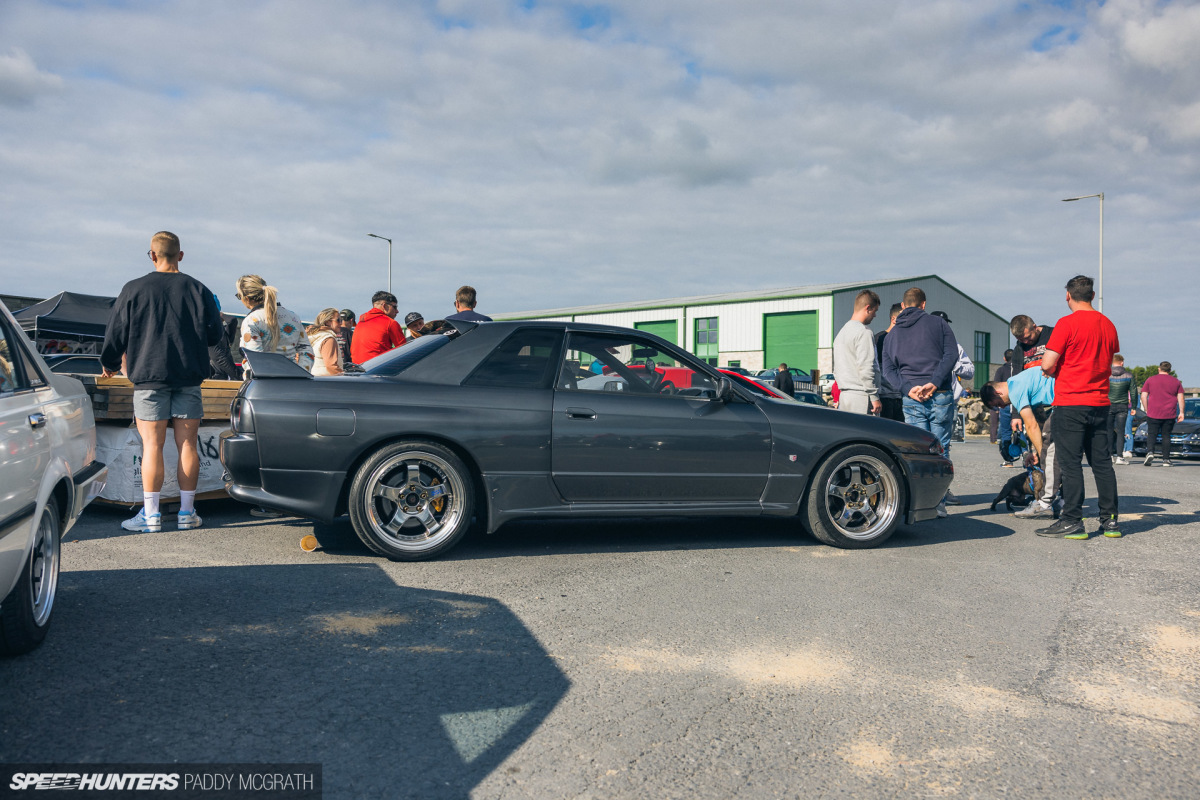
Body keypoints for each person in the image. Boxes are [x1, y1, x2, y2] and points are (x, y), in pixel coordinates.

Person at [100, 231, 223, 533]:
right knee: (187, 445)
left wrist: (110, 364)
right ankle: (186, 512)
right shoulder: (199, 289)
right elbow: (216, 336)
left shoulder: (134, 289)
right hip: (188, 377)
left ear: (152, 255)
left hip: (149, 378)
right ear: (180, 255)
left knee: (152, 446)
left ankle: (151, 515)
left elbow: (116, 333)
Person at [1036, 275, 1120, 540]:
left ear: (1068, 296)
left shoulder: (1066, 324)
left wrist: (1054, 369)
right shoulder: (1108, 325)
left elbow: (1048, 364)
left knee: (1070, 464)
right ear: (1092, 296)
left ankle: (1072, 520)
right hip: (1100, 403)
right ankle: (1110, 522)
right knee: (1102, 464)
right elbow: (1107, 359)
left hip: (1071, 401)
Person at [881, 286, 958, 518]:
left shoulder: (891, 335)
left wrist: (908, 388)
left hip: (912, 397)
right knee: (940, 449)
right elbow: (951, 355)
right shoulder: (938, 324)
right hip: (940, 394)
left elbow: (888, 370)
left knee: (916, 452)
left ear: (903, 306)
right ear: (923, 304)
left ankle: (920, 504)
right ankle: (939, 503)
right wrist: (934, 382)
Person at [981, 369, 1061, 521]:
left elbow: (1031, 426)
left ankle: (1045, 504)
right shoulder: (1019, 380)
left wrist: (1042, 455)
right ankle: (1065, 502)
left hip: (1063, 401)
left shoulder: (1015, 390)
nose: (1002, 407)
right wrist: (1035, 452)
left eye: (998, 403)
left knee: (1050, 459)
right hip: (1070, 396)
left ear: (998, 392)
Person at [235, 275, 314, 372]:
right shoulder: (293, 317)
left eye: (239, 296)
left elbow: (254, 359)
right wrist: (300, 373)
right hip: (293, 380)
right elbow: (306, 350)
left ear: (246, 298)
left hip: (266, 383)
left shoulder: (251, 320)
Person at [833, 290, 882, 415]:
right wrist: (874, 397)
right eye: (875, 311)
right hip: (862, 396)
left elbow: (836, 369)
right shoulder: (864, 332)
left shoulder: (840, 334)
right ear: (868, 308)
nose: (875, 315)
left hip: (844, 396)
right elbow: (866, 367)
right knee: (867, 434)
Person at [1139, 361, 1185, 467]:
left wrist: (1146, 409)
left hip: (1153, 412)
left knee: (1152, 434)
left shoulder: (1150, 380)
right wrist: (1181, 412)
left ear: (1159, 369)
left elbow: (1143, 396)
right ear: (1170, 370)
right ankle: (1166, 460)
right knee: (1166, 436)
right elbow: (1181, 397)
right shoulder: (1176, 381)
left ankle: (1150, 452)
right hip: (1169, 413)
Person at [351, 291, 406, 364]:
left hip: (357, 370)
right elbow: (404, 351)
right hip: (378, 369)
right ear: (384, 306)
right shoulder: (390, 323)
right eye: (395, 307)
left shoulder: (360, 323)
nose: (397, 311)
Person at [873, 303, 904, 421]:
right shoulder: (879, 339)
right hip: (885, 398)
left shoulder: (905, 340)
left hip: (901, 397)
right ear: (893, 319)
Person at [1108, 354, 1138, 465]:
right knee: (1121, 431)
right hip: (1122, 406)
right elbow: (1134, 392)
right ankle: (1120, 457)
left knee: (1108, 430)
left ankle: (1109, 455)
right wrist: (1134, 407)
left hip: (1108, 404)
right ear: (1122, 363)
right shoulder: (1128, 375)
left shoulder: (1107, 375)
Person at [306, 308, 345, 376]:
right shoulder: (329, 339)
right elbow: (331, 366)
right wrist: (345, 379)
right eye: (338, 320)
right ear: (327, 322)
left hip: (314, 379)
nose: (341, 323)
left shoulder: (313, 337)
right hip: (328, 381)